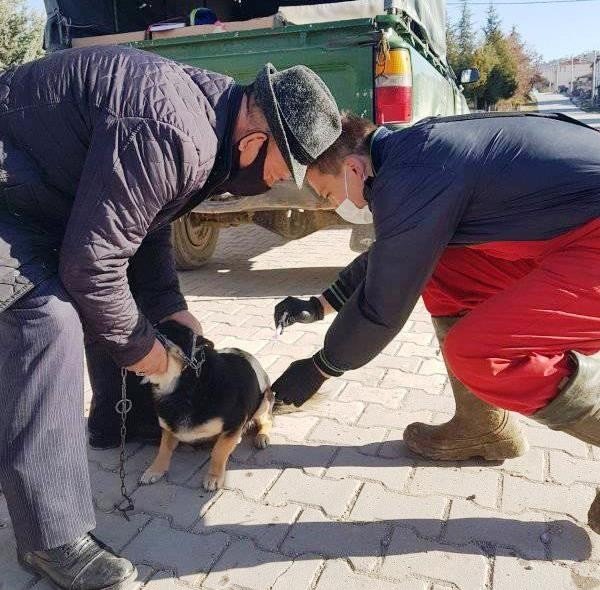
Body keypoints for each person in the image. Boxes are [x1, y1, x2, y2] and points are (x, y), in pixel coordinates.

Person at [0, 45, 341, 589]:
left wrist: (169, 308)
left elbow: (146, 223)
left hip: (36, 190)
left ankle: (119, 421)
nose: (278, 183)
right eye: (280, 172)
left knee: (128, 316)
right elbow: (93, 266)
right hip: (11, 190)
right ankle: (51, 537)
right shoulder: (177, 131)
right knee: (47, 318)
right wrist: (148, 355)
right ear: (254, 143)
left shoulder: (212, 123)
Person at [271, 112, 600, 534]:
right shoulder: (410, 154)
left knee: (479, 354)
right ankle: (482, 427)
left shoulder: (412, 172)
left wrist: (320, 367)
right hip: (572, 236)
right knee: (443, 268)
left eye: (327, 193)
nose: (331, 205)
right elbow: (398, 256)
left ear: (352, 169)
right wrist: (319, 306)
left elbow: (382, 307)